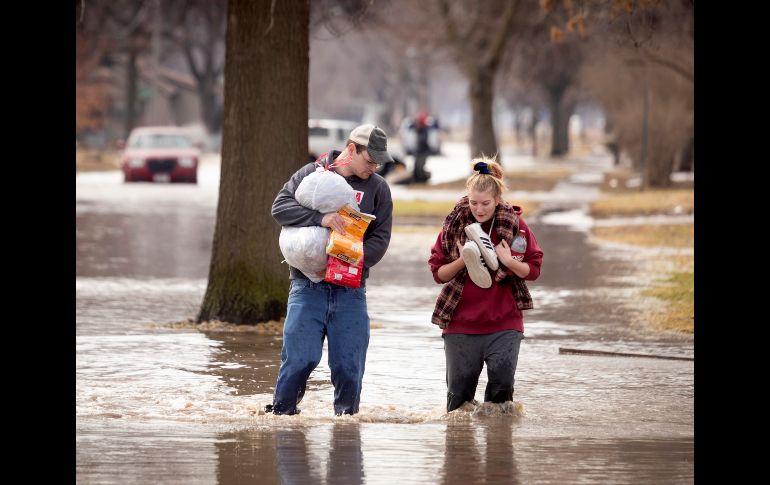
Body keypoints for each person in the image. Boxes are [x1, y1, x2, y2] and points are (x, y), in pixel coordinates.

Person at [266, 124, 394, 416]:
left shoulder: (378, 188)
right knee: (300, 359)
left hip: (351, 290)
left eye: (378, 161)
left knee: (348, 366)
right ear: (351, 150)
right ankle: (282, 417)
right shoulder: (312, 173)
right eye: (369, 159)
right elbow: (280, 207)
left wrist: (351, 261)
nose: (374, 166)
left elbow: (381, 239)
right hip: (306, 287)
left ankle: (346, 425)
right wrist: (320, 218)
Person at [428, 157, 543, 412]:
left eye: (485, 204)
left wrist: (507, 261)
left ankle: (499, 448)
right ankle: (461, 447)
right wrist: (461, 261)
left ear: (498, 200)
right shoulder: (453, 227)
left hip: (504, 325)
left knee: (501, 405)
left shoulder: (516, 227)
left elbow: (533, 270)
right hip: (460, 325)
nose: (478, 209)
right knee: (458, 407)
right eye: (473, 203)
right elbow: (438, 274)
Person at [412, 111, 432, 183]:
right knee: (416, 166)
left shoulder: (424, 129)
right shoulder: (418, 129)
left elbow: (422, 140)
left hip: (423, 152)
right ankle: (416, 180)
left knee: (420, 167)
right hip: (418, 152)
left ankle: (422, 180)